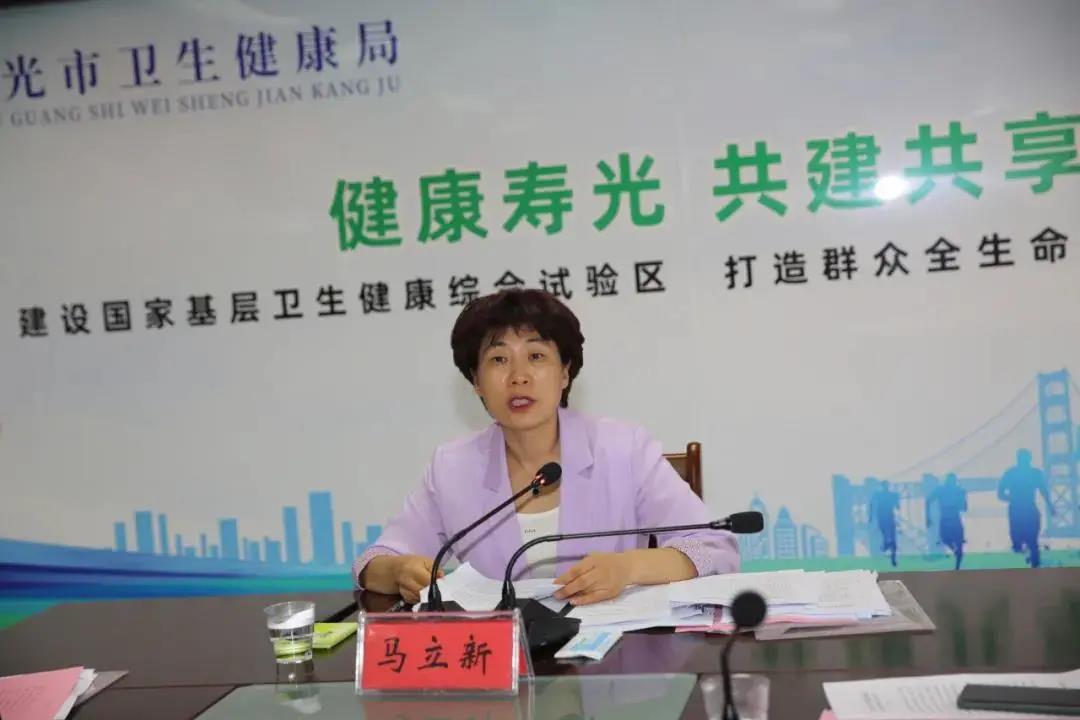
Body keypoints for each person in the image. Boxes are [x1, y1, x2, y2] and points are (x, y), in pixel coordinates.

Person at [354, 288, 739, 605]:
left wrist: (628, 568)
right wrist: (399, 571)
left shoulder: (625, 450)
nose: (518, 376)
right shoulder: (452, 467)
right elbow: (372, 562)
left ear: (565, 372)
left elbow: (713, 548)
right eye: (499, 359)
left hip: (613, 659)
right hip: (503, 660)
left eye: (536, 356)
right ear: (476, 382)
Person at [998, 448, 1053, 568]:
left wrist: (1012, 498)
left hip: (1021, 510)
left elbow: (1000, 494)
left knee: (1031, 542)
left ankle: (1034, 565)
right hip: (1023, 510)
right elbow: (1044, 491)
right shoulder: (1033, 473)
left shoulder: (1012, 473)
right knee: (1022, 544)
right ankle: (1031, 559)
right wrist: (1051, 506)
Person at [925, 473, 967, 570]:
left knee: (957, 543)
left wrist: (963, 497)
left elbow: (964, 508)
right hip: (948, 519)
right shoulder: (942, 490)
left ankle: (957, 566)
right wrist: (927, 517)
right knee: (947, 540)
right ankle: (956, 557)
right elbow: (928, 500)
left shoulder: (956, 490)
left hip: (953, 519)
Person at [869, 479, 899, 567]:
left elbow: (871, 505)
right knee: (890, 536)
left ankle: (887, 547)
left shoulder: (878, 494)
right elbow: (897, 506)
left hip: (883, 517)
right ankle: (891, 553)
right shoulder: (891, 495)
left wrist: (871, 516)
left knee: (887, 535)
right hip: (888, 517)